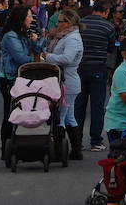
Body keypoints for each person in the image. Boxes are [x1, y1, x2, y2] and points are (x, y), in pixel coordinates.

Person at [75, 0, 116, 153]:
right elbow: (111, 48)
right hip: (98, 68)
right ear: (106, 11)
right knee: (97, 106)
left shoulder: (81, 24)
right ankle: (95, 141)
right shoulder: (108, 26)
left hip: (80, 68)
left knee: (79, 105)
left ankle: (76, 140)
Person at [0, 5, 39, 158]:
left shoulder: (23, 35)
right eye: (29, 16)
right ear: (21, 18)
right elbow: (21, 58)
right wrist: (38, 60)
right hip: (8, 78)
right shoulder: (10, 36)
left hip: (20, 78)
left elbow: (36, 50)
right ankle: (5, 148)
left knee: (18, 112)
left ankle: (13, 145)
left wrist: (35, 42)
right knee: (10, 113)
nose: (32, 19)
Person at [44, 9, 84, 161]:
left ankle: (59, 151)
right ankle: (76, 149)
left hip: (68, 81)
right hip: (64, 80)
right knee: (69, 117)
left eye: (60, 21)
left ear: (68, 23)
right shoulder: (65, 37)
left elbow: (67, 58)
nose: (57, 24)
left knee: (60, 117)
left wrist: (49, 57)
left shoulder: (72, 39)